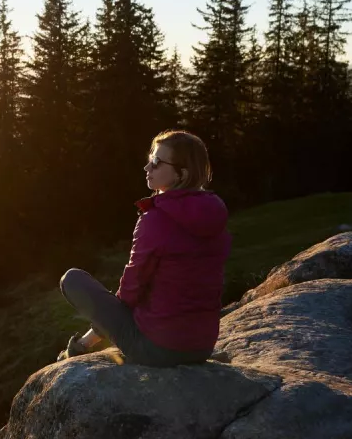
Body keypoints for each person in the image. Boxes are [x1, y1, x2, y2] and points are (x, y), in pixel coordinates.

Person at [58, 129, 230, 367]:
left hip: (158, 349)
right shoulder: (214, 213)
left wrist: (92, 338)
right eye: (151, 159)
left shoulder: (156, 219)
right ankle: (83, 345)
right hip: (201, 346)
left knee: (72, 280)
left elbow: (131, 289)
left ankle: (79, 348)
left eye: (157, 162)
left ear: (182, 174)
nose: (147, 168)